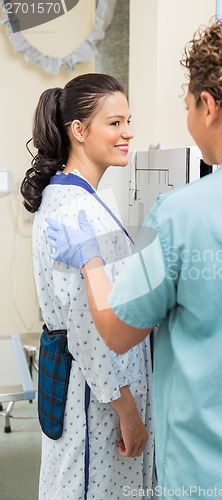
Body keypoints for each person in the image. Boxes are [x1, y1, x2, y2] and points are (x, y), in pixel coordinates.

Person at [46, 17, 222, 498]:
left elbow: (115, 331)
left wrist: (92, 262)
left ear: (208, 106)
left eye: (185, 106)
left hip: (213, 477)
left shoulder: (184, 213)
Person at [20, 73, 155, 500]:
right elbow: (87, 328)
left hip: (101, 390)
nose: (128, 133)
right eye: (115, 123)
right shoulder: (74, 210)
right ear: (79, 131)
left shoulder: (89, 200)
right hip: (97, 400)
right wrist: (128, 413)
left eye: (128, 121)